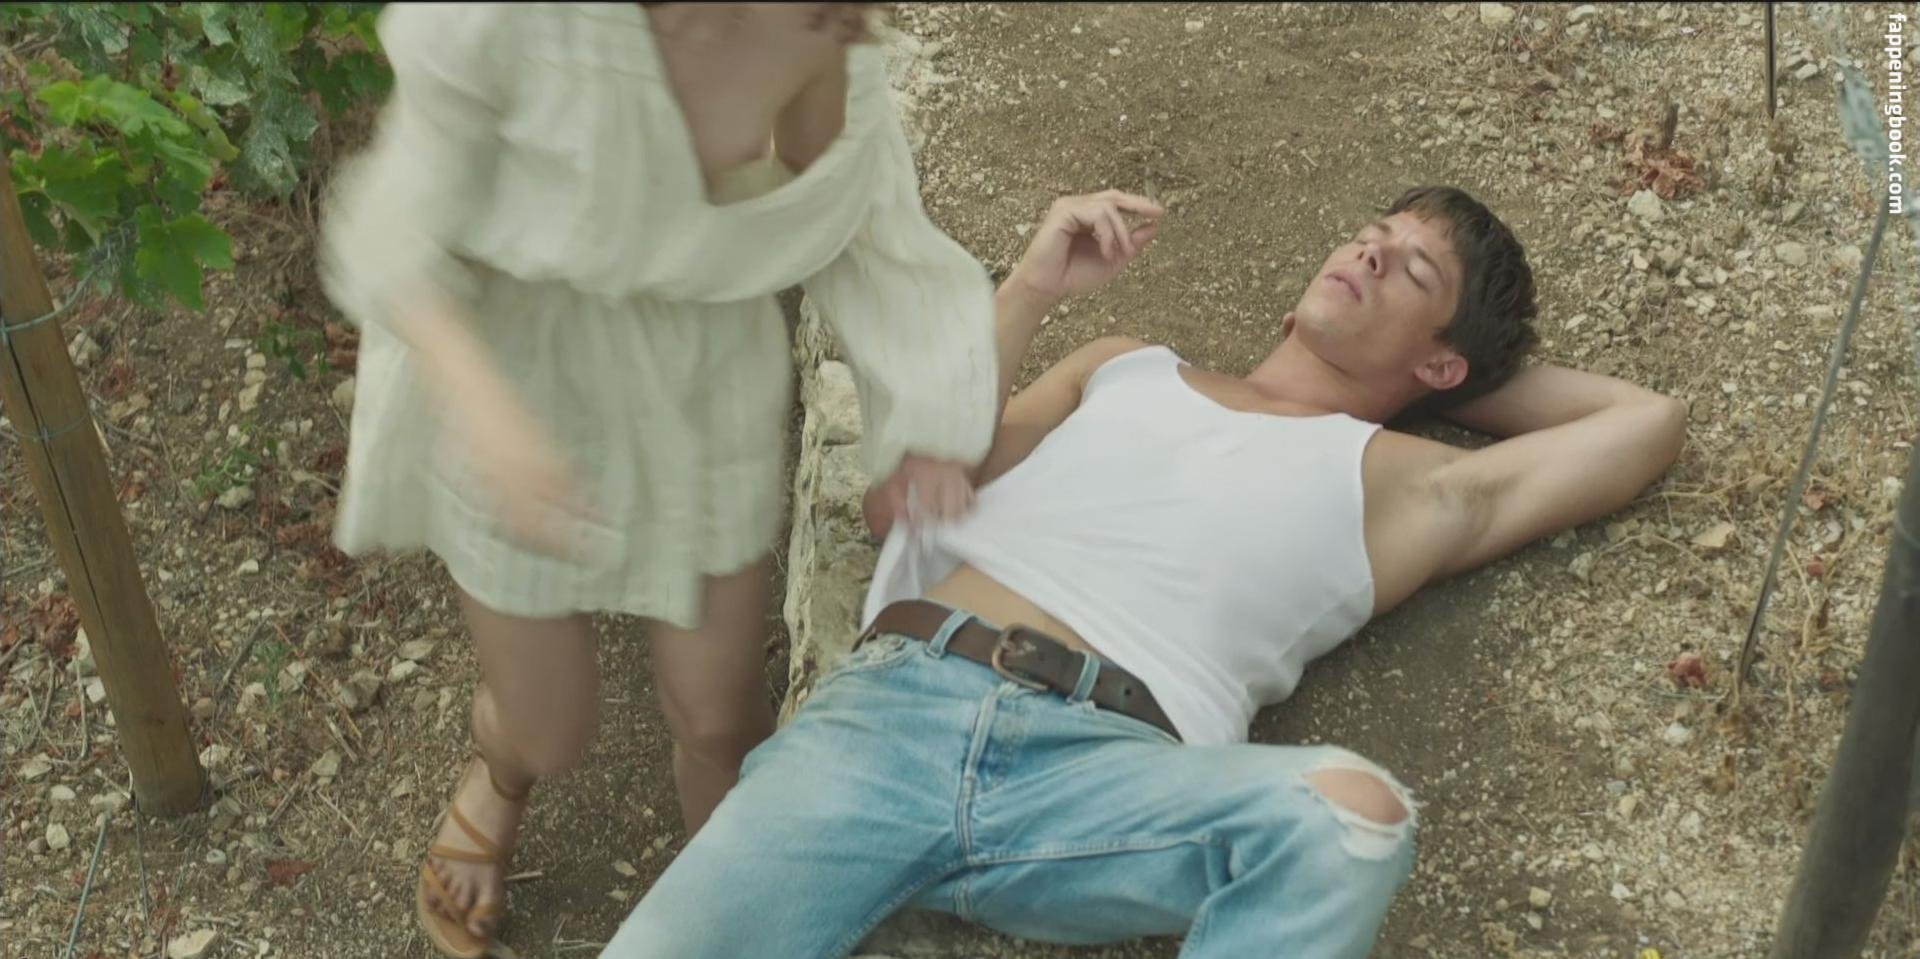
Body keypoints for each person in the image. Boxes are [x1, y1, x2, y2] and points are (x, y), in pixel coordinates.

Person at [599, 185, 1689, 958]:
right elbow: (911, 487)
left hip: (1105, 778)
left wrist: (1454, 381)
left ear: (1442, 360)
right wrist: (1032, 285)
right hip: (890, 717)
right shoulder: (1126, 366)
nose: (1365, 254)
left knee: (1350, 816)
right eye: (1369, 236)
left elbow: (1645, 423)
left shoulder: (1408, 483)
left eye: (1409, 269)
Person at [317, 5, 1001, 956]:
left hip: (698, 373)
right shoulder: (500, 17)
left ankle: (726, 920)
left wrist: (923, 412)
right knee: (549, 725)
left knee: (719, 716)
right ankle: (505, 765)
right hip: (515, 359)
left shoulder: (815, 18)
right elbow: (392, 226)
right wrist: (486, 411)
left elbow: (856, 213)